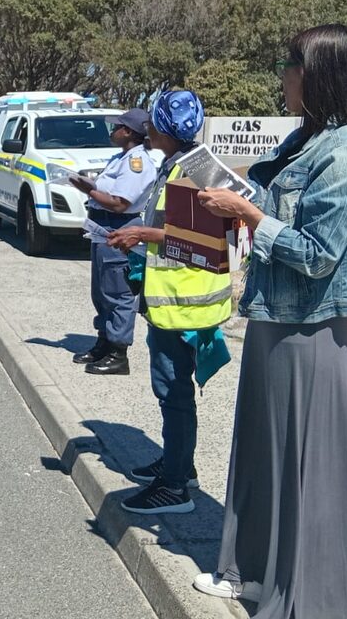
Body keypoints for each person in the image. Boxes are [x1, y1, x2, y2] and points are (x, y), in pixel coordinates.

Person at [194, 24, 347, 619]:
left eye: (290, 65)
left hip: (312, 326)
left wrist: (248, 214)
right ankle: (244, 572)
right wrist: (241, 193)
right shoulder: (309, 137)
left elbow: (316, 253)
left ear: (323, 72)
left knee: (300, 466)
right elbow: (276, 193)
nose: (282, 74)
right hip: (276, 315)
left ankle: (290, 608)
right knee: (258, 451)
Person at [106, 90, 231, 515]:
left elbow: (196, 238)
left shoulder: (191, 173)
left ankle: (175, 487)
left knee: (173, 393)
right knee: (173, 393)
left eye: (152, 122)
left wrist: (139, 235)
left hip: (184, 307)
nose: (146, 129)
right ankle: (180, 464)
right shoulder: (182, 165)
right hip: (175, 302)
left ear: (162, 127)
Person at [70, 108, 157, 375]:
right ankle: (104, 342)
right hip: (102, 228)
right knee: (101, 291)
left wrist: (89, 189)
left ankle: (119, 353)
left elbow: (120, 203)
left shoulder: (137, 163)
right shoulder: (122, 158)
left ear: (128, 132)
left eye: (116, 127)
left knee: (118, 293)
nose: (112, 131)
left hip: (120, 228)